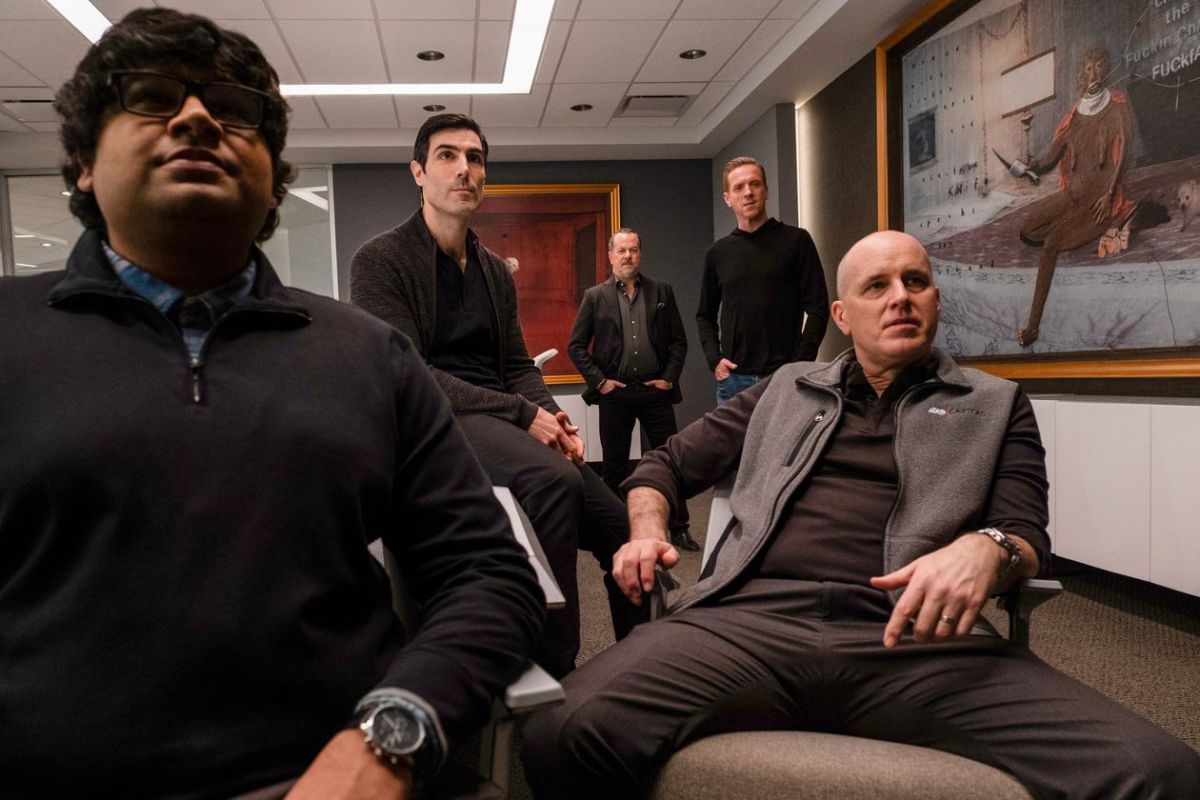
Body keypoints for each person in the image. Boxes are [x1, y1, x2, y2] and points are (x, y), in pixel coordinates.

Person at [0, 9, 546, 800]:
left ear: (271, 174)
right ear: (84, 161)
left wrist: (391, 739)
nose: (196, 118)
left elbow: (489, 573)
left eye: (233, 109)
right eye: (151, 97)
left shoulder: (369, 356)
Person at [522, 230, 1200, 799]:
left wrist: (987, 548)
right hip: (748, 625)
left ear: (936, 299)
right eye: (877, 286)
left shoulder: (994, 405)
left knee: (1159, 773)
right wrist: (645, 530)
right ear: (843, 316)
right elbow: (661, 467)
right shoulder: (785, 389)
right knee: (562, 726)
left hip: (919, 642)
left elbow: (1025, 536)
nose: (900, 296)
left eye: (915, 281)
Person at [350, 113, 643, 679]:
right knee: (553, 482)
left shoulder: (492, 270)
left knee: (625, 529)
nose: (464, 169)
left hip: (500, 419)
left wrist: (555, 416)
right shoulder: (381, 260)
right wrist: (523, 413)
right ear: (418, 172)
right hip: (434, 423)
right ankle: (555, 668)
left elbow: (516, 365)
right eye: (447, 155)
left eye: (475, 158)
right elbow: (406, 374)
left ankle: (639, 669)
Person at [567, 228, 697, 552]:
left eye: (633, 250)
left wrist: (669, 378)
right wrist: (601, 383)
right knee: (614, 467)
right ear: (611, 256)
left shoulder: (662, 292)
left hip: (655, 392)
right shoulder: (594, 297)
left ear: (640, 254)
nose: (628, 256)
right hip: (616, 394)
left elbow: (679, 342)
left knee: (670, 460)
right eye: (622, 250)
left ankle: (679, 527)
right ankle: (615, 531)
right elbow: (576, 346)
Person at [1011, 47, 1138, 347]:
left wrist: (1108, 195)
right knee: (1028, 228)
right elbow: (1051, 158)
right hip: (1072, 196)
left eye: (1099, 66)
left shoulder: (1117, 106)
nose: (1093, 73)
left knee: (1052, 243)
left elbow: (1123, 153)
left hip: (1099, 202)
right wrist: (1032, 166)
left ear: (1105, 69)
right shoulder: (1074, 115)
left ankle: (1033, 327)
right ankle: (1068, 230)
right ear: (1082, 74)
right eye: (1088, 68)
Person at [696, 156, 829, 403]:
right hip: (734, 380)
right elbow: (704, 315)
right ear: (727, 198)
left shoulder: (797, 241)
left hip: (784, 376)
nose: (748, 192)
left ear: (765, 191)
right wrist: (715, 360)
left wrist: (801, 362)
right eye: (739, 187)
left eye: (754, 184)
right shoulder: (718, 253)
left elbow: (818, 308)